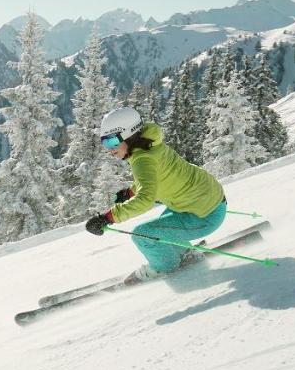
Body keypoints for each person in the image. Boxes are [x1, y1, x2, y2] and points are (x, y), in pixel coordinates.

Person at [84, 106, 227, 281]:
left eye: (112, 142)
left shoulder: (142, 159)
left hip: (204, 215)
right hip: (205, 200)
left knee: (143, 236)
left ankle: (164, 268)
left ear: (129, 135)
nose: (109, 149)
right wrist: (131, 192)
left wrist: (108, 218)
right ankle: (186, 254)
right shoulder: (150, 144)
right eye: (105, 143)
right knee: (161, 227)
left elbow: (146, 200)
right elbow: (158, 175)